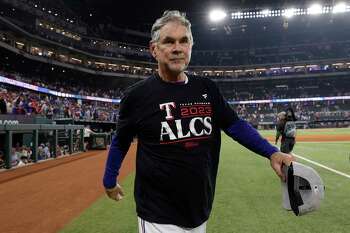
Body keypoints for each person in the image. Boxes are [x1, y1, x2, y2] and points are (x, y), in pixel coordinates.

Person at [103, 10, 294, 233]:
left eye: (184, 41)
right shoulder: (136, 96)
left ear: (191, 47)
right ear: (154, 49)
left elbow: (235, 125)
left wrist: (271, 152)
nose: (177, 48)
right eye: (169, 41)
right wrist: (109, 179)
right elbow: (121, 141)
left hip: (200, 210)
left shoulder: (206, 88)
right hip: (158, 214)